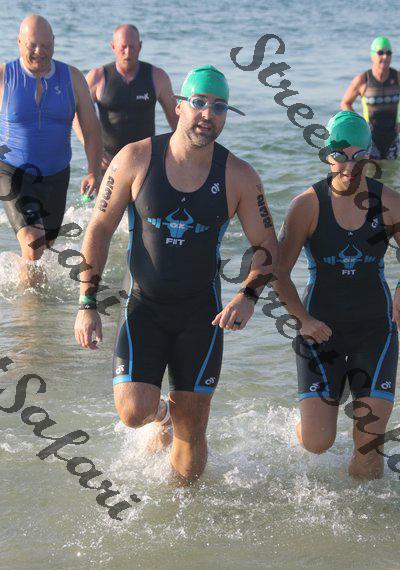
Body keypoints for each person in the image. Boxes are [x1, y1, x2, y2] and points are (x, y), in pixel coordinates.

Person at [74, 65, 278, 483]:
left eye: (219, 107)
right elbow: (99, 228)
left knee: (192, 435)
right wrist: (87, 302)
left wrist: (248, 296)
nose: (208, 114)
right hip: (144, 307)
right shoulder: (135, 158)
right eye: (199, 103)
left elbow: (268, 248)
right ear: (179, 106)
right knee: (133, 411)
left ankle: (184, 512)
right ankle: (162, 415)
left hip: (202, 317)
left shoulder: (239, 176)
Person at [275, 110, 400, 479]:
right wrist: (303, 319)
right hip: (320, 332)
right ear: (326, 155)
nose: (349, 166)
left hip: (375, 330)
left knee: (368, 449)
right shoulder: (306, 206)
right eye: (340, 155)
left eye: (359, 156)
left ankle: (367, 513)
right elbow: (278, 272)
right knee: (318, 442)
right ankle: (313, 416)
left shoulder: (389, 202)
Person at [0, 14, 102, 286]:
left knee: (43, 249)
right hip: (12, 170)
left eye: (46, 45)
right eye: (32, 45)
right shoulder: (4, 76)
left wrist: (93, 170)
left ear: (54, 42)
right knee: (33, 242)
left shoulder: (72, 78)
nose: (40, 51)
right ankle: (30, 308)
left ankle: (33, 305)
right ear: (19, 42)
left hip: (56, 174)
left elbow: (91, 129)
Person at [73, 23, 178, 172]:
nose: (127, 52)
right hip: (109, 162)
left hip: (146, 160)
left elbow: (176, 119)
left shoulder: (157, 77)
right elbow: (76, 114)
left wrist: (178, 154)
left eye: (132, 47)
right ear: (113, 46)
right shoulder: (98, 77)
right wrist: (94, 149)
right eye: (123, 47)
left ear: (140, 46)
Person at [340, 36, 400, 160]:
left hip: (393, 137)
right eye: (380, 52)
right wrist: (358, 124)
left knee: (393, 170)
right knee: (372, 170)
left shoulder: (397, 77)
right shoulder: (363, 80)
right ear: (372, 55)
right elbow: (345, 103)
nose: (385, 57)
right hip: (370, 138)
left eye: (388, 53)